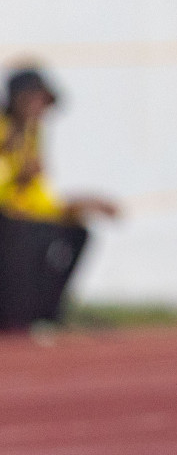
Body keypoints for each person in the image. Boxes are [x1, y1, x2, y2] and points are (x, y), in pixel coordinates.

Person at [0, 66, 119, 334]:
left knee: (76, 232)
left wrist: (73, 208)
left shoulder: (31, 135)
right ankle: (15, 313)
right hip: (8, 220)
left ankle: (46, 311)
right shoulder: (4, 131)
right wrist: (16, 178)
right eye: (35, 100)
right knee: (25, 232)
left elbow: (38, 197)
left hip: (21, 218)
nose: (40, 110)